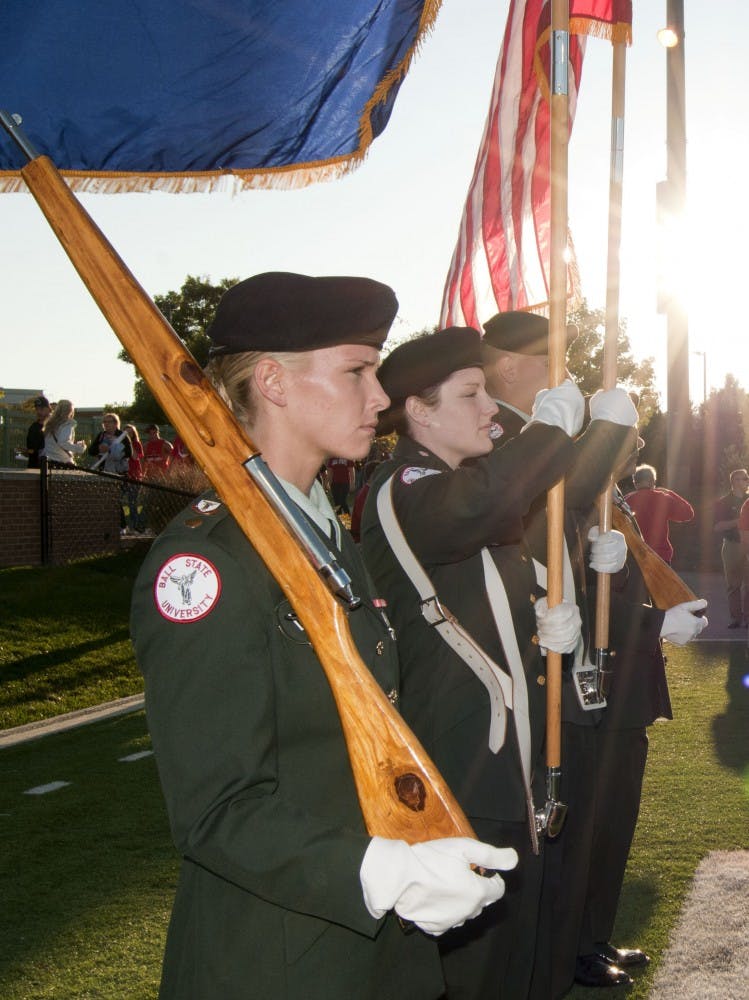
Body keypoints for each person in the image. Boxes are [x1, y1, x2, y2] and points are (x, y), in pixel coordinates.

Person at [130, 273, 516, 1000]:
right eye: (356, 370)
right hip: (279, 956)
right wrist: (378, 874)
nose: (378, 397)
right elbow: (217, 807)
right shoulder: (209, 562)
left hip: (370, 952)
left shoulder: (324, 537)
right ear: (272, 381)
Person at [360, 326, 628, 1000]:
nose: (489, 410)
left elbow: (509, 555)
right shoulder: (405, 485)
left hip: (511, 761)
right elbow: (477, 507)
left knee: (524, 961)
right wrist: (552, 431)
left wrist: (549, 621)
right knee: (476, 974)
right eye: (470, 394)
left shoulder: (456, 488)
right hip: (463, 766)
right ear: (419, 411)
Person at [623, 463, 694, 564]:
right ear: (653, 481)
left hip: (635, 556)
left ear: (635, 483)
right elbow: (688, 513)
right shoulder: (663, 498)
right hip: (660, 556)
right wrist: (670, 493)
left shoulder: (626, 501)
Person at [713, 469, 749, 627]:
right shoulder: (723, 502)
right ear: (733, 481)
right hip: (732, 545)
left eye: (747, 478)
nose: (746, 481)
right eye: (743, 479)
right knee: (733, 584)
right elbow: (718, 527)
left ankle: (748, 618)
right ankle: (736, 618)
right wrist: (740, 521)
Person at [40, 399, 87, 468]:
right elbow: (63, 443)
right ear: (70, 411)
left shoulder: (50, 423)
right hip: (61, 462)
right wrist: (79, 448)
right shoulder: (67, 424)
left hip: (47, 461)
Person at [122, 424, 145, 533]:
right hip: (123, 475)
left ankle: (134, 526)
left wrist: (129, 443)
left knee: (132, 502)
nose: (128, 435)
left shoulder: (136, 444)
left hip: (134, 476)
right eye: (126, 433)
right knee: (120, 501)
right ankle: (123, 526)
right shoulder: (120, 444)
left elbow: (135, 457)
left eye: (130, 433)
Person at [25, 394, 51, 468]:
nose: (38, 412)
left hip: (50, 467)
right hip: (34, 466)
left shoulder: (55, 426)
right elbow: (30, 448)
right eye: (37, 409)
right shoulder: (33, 427)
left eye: (42, 409)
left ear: (49, 409)